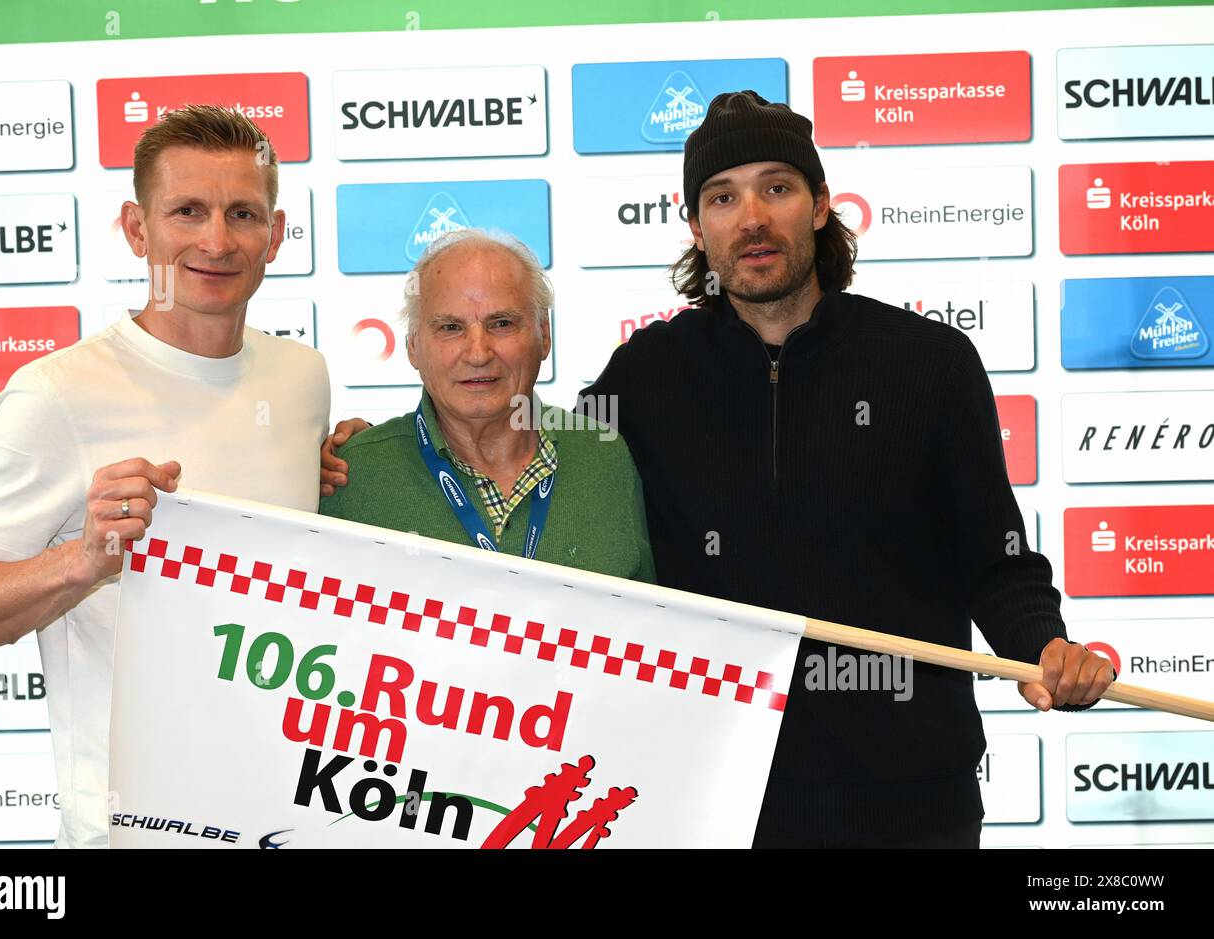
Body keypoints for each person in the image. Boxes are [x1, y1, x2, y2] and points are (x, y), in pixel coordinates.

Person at [579, 92, 1115, 847]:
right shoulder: (642, 378)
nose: (752, 218)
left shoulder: (930, 364)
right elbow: (534, 485)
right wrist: (368, 449)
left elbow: (994, 558)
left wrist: (1043, 647)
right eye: (723, 197)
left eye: (778, 187)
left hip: (910, 807)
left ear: (821, 204)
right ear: (697, 229)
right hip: (710, 801)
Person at [0, 105, 334, 849]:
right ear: (138, 230)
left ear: (275, 234)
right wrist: (82, 560)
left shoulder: (301, 377)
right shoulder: (61, 393)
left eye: (242, 213)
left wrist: (343, 466)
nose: (216, 239)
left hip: (286, 816)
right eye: (187, 211)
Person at [320, 229, 655, 582]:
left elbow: (652, 623)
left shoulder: (605, 456)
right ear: (413, 346)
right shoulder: (351, 474)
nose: (478, 353)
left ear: (545, 336)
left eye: (502, 324)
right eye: (450, 327)